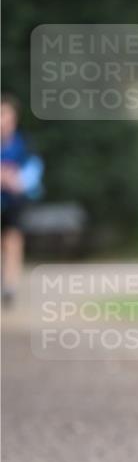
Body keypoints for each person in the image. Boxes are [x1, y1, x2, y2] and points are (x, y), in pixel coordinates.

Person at [1, 95, 43, 307]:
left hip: (14, 201)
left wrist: (16, 180)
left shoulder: (24, 142)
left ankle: (10, 285)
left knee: (12, 240)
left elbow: (33, 171)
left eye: (5, 113)